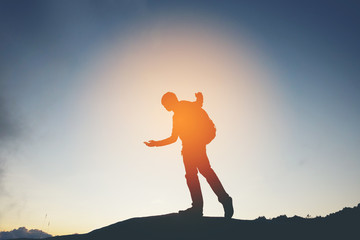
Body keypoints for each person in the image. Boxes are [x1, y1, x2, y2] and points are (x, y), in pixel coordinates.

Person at [144, 92, 234, 218]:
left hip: (195, 144)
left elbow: (197, 105)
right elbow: (174, 138)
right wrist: (155, 144)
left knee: (204, 172)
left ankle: (223, 200)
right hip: (188, 147)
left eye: (165, 104)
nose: (165, 107)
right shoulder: (175, 116)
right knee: (193, 175)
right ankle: (199, 207)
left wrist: (199, 99)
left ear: (171, 101)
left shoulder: (185, 106)